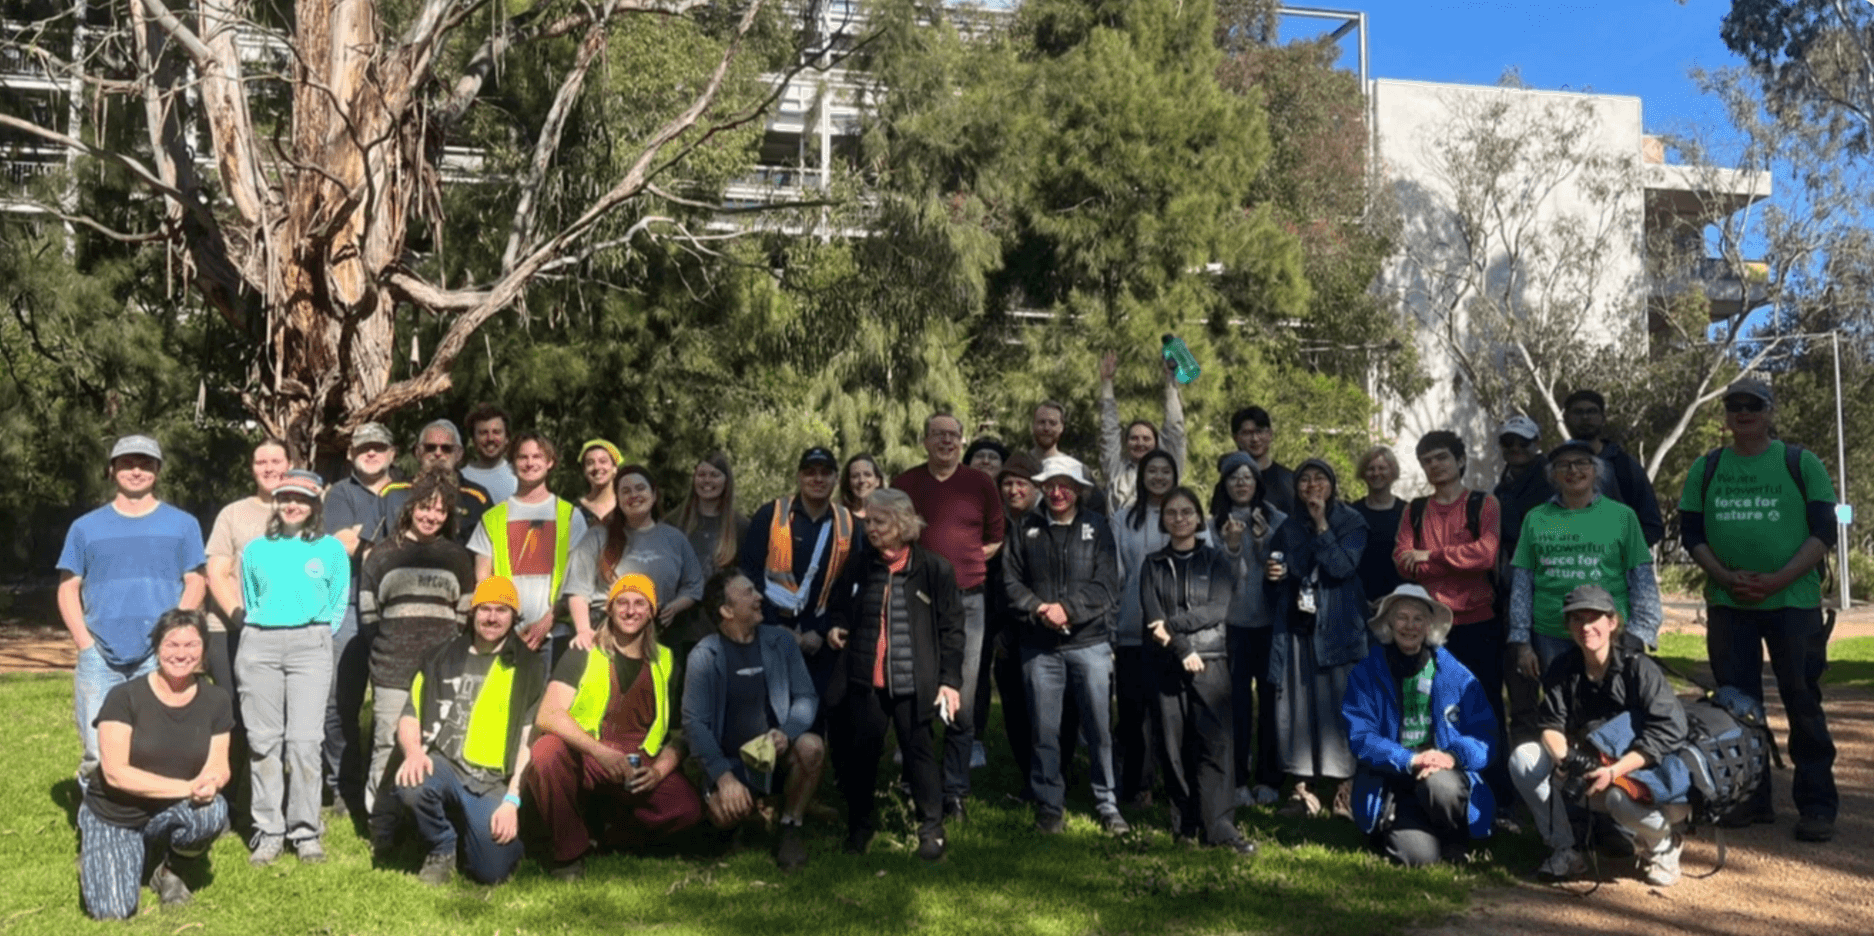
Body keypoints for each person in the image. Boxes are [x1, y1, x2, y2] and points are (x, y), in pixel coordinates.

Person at [1680, 378, 1839, 842]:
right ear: (1726, 415)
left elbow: (1824, 531)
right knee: (1736, 708)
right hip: (1729, 604)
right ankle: (1749, 799)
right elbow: (1692, 534)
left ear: (1770, 412)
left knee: (1802, 700)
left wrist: (1779, 578)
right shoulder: (1706, 467)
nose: (1743, 412)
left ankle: (1817, 804)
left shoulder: (1800, 462)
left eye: (1754, 405)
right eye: (1735, 405)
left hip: (1793, 602)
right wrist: (1726, 577)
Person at [1508, 585, 1690, 885]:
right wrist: (1567, 759)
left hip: (1651, 775)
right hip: (1596, 769)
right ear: (1568, 626)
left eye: (1594, 618)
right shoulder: (1564, 668)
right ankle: (1566, 849)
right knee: (1523, 758)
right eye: (1577, 619)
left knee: (1619, 799)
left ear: (1612, 622)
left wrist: (1615, 770)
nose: (1586, 627)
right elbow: (1551, 725)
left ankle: (1665, 844)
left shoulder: (1639, 668)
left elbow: (1669, 731)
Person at [527, 574, 703, 881]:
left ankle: (609, 835)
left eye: (640, 604)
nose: (630, 611)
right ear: (609, 609)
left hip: (638, 761)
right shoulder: (584, 649)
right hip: (588, 755)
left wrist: (659, 771)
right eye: (622, 603)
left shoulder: (667, 660)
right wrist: (601, 753)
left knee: (686, 810)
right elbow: (549, 714)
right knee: (546, 752)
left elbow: (681, 734)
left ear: (652, 611)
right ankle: (568, 856)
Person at [825, 488, 965, 860]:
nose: (870, 528)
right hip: (865, 682)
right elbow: (838, 606)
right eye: (868, 521)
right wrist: (836, 626)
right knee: (863, 756)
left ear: (903, 524)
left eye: (879, 522)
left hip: (913, 682)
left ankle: (931, 830)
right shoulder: (858, 565)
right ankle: (859, 827)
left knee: (919, 754)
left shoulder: (934, 569)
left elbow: (952, 629)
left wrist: (950, 680)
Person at [58, 435, 208, 783]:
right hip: (100, 656)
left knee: (153, 745)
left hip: (158, 656)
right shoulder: (85, 528)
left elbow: (196, 582)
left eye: (145, 463)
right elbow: (68, 588)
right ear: (111, 470)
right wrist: (84, 644)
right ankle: (97, 823)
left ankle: (149, 822)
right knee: (98, 748)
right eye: (127, 463)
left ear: (157, 471)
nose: (136, 470)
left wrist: (171, 637)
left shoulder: (183, 524)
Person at [392, 575, 546, 886]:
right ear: (471, 613)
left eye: (501, 611)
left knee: (490, 872)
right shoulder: (441, 656)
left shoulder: (529, 666)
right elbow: (410, 715)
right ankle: (441, 846)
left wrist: (512, 801)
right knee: (412, 781)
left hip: (491, 780)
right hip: (446, 764)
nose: (491, 618)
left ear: (514, 617)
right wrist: (413, 753)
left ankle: (489, 835)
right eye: (484, 609)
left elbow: (529, 741)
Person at [77, 609, 231, 919]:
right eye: (172, 645)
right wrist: (188, 787)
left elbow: (219, 764)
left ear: (203, 648)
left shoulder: (216, 699)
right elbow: (115, 774)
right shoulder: (124, 697)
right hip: (116, 813)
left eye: (191, 645)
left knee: (212, 812)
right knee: (113, 912)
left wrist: (211, 782)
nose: (181, 654)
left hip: (170, 808)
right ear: (157, 647)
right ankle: (102, 851)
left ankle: (171, 870)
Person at [1004, 455, 1127, 836]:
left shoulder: (1098, 527)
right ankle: (1049, 806)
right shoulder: (1026, 527)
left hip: (1089, 643)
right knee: (1044, 729)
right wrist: (1040, 609)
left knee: (1098, 728)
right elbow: (1010, 583)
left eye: (1065, 485)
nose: (1057, 492)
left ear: (1078, 490)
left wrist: (1068, 610)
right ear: (1042, 488)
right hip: (1039, 647)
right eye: (1050, 485)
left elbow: (1107, 584)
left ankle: (1108, 804)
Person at [894, 415, 1006, 821]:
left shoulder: (980, 484)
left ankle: (955, 790)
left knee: (963, 694)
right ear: (924, 440)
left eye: (953, 436)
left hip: (969, 600)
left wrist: (972, 561)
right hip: (918, 599)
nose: (946, 441)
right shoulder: (905, 483)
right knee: (918, 691)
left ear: (962, 441)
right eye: (938, 435)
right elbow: (893, 534)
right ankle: (915, 784)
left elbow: (995, 536)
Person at [1392, 431, 1508, 816]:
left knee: (1484, 704)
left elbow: (1486, 554)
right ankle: (1436, 782)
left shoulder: (1483, 504)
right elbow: (1401, 558)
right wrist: (1444, 557)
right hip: (1429, 626)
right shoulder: (1416, 509)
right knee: (1429, 705)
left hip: (1477, 621)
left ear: (1460, 460)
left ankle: (1495, 789)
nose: (1434, 466)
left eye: (1441, 458)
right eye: (1426, 460)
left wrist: (1431, 556)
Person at [238, 469, 350, 865]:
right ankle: (268, 830)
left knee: (305, 743)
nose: (292, 505)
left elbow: (338, 600)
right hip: (260, 644)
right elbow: (251, 597)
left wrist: (317, 632)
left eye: (302, 499)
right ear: (276, 500)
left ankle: (305, 832)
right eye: (286, 497)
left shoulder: (331, 549)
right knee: (263, 741)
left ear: (315, 505)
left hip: (310, 645)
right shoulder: (254, 550)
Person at [1342, 585, 1496, 867]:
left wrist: (1451, 756)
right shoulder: (1365, 673)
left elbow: (1485, 739)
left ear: (1430, 625)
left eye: (1418, 619)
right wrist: (1411, 759)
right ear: (1388, 622)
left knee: (1441, 787)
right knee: (1416, 857)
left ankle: (1454, 839)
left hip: (1443, 778)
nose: (1409, 626)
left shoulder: (1457, 675)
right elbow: (1360, 737)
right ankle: (1404, 830)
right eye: (1401, 617)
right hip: (1394, 779)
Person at [683, 570, 825, 870]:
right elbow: (695, 725)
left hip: (777, 756)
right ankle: (747, 818)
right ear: (726, 610)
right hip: (732, 763)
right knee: (722, 816)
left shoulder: (781, 642)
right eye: (749, 593)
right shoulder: (704, 656)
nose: (760, 597)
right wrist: (724, 777)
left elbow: (807, 697)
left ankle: (790, 825)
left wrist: (787, 732)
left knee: (812, 746)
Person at [358, 471, 476, 831]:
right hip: (392, 668)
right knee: (387, 746)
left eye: (441, 511)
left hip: (441, 673)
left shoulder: (457, 558)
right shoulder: (381, 555)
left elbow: (463, 616)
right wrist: (394, 647)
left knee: (440, 746)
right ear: (411, 508)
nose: (432, 516)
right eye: (426, 507)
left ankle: (429, 821)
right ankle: (382, 823)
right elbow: (368, 618)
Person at [1140, 487, 1255, 854]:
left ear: (1198, 518)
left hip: (1213, 661)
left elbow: (1217, 610)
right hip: (1169, 664)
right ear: (1163, 520)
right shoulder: (1153, 564)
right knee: (1174, 749)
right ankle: (1186, 825)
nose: (1179, 519)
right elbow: (1151, 617)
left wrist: (1174, 628)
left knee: (1214, 746)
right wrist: (1181, 646)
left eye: (1187, 512)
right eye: (1172, 513)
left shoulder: (1216, 560)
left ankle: (1220, 828)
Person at [1508, 438, 1661, 675]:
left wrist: (1640, 633)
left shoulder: (1622, 516)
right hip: (1551, 634)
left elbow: (1642, 578)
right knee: (1560, 706)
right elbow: (1522, 583)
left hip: (1607, 632)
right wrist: (1522, 641)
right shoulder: (1535, 518)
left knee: (1613, 705)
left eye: (1582, 463)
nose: (1573, 471)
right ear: (1553, 475)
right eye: (1563, 465)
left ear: (1596, 470)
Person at [1269, 459, 1367, 819]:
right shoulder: (1288, 526)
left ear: (1333, 484)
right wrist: (1274, 572)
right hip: (1298, 628)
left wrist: (1322, 524)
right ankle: (1302, 790)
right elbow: (1278, 567)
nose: (1312, 485)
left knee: (1342, 706)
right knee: (1297, 705)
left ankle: (1346, 787)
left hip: (1339, 627)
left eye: (1320, 478)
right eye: (1304, 480)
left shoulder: (1352, 521)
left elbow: (1342, 567)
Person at [739, 447, 863, 699]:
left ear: (836, 480)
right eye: (810, 472)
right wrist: (776, 626)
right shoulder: (770, 515)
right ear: (798, 477)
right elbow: (749, 573)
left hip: (820, 640)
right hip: (770, 630)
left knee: (813, 716)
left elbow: (851, 585)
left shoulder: (849, 523)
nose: (817, 479)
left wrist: (820, 630)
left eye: (825, 473)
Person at [321, 421, 399, 819]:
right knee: (340, 703)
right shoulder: (340, 493)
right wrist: (384, 536)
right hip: (348, 604)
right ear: (352, 454)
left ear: (392, 453)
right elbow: (340, 547)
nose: (371, 453)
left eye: (379, 447)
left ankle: (388, 784)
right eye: (363, 448)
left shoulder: (405, 489)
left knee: (397, 703)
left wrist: (363, 537)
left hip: (397, 605)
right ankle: (343, 786)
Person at [1208, 451, 1286, 808]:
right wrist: (1234, 547)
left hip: (1270, 625)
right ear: (1224, 485)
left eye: (1248, 477)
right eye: (1234, 477)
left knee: (1271, 705)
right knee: (1235, 706)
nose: (1241, 483)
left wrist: (1260, 542)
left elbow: (1283, 567)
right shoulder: (1212, 525)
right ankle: (1237, 779)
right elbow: (1219, 578)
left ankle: (1270, 778)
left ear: (1258, 483)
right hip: (1232, 626)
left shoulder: (1278, 521)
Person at [470, 432, 587, 667]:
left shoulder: (570, 516)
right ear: (512, 464)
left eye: (537, 456)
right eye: (522, 457)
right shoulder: (493, 518)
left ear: (550, 462)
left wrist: (548, 621)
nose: (530, 463)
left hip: (558, 633)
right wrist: (504, 621)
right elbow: (483, 580)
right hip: (505, 635)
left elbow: (579, 581)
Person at [565, 464, 704, 655]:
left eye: (640, 488)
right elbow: (577, 589)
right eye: (626, 491)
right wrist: (583, 630)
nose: (634, 495)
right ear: (618, 499)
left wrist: (675, 606)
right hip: (605, 633)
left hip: (659, 633)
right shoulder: (597, 536)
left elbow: (694, 585)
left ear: (654, 495)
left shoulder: (675, 538)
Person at [1111, 448, 1182, 807]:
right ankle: (1138, 785)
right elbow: (1116, 573)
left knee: (1171, 713)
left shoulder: (1184, 515)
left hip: (1178, 630)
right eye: (1151, 471)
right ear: (1142, 476)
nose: (1158, 477)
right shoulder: (1124, 519)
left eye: (1165, 471)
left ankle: (1177, 786)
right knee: (1134, 712)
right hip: (1131, 626)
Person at [203, 438, 289, 696]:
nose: (269, 468)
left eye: (276, 461)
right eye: (261, 462)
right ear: (252, 468)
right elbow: (216, 573)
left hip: (288, 632)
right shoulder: (233, 513)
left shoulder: (305, 513)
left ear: (291, 464)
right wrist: (242, 618)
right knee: (234, 713)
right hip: (230, 628)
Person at [1560, 389, 1663, 547]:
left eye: (1592, 412)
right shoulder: (1552, 468)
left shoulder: (1625, 465)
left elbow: (1652, 526)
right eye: (1578, 412)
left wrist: (1615, 553)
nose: (1585, 417)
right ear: (1566, 419)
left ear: (1603, 419)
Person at [378, 420, 493, 546]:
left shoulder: (478, 498)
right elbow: (372, 546)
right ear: (418, 452)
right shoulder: (392, 492)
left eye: (446, 448)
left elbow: (490, 547)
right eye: (430, 447)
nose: (438, 453)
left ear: (459, 454)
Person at [1097, 350, 1187, 511]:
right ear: (1126, 443)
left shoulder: (1169, 468)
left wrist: (1170, 381)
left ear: (1156, 443)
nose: (1140, 443)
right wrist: (1106, 383)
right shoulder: (1116, 470)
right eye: (1134, 438)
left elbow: (1175, 428)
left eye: (1146, 439)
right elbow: (1108, 432)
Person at [668, 452, 748, 575]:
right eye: (701, 474)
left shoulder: (742, 527)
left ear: (726, 482)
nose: (707, 480)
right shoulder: (673, 522)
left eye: (714, 475)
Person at [1350, 446, 1404, 603]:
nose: (1376, 473)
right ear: (1363, 473)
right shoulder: (1352, 513)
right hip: (1358, 600)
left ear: (1393, 472)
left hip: (1397, 601)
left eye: (1382, 468)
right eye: (1370, 469)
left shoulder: (1407, 512)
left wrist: (1393, 598)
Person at [1230, 406, 1295, 516]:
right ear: (1235, 438)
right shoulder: (1230, 482)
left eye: (1259, 431)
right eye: (1247, 433)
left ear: (1270, 434)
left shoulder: (1290, 480)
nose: (1255, 439)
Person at [461, 403, 518, 505]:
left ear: (507, 438)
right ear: (473, 439)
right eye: (483, 433)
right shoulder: (460, 479)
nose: (490, 438)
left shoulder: (520, 477)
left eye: (496, 432)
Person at [573, 439, 623, 528]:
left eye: (603, 461)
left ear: (615, 468)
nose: (596, 467)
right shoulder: (574, 510)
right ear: (584, 471)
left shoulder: (626, 506)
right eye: (590, 463)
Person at [839, 453, 884, 518]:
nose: (861, 480)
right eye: (855, 476)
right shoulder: (839, 518)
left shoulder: (890, 516)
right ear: (848, 482)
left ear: (878, 481)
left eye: (867, 475)